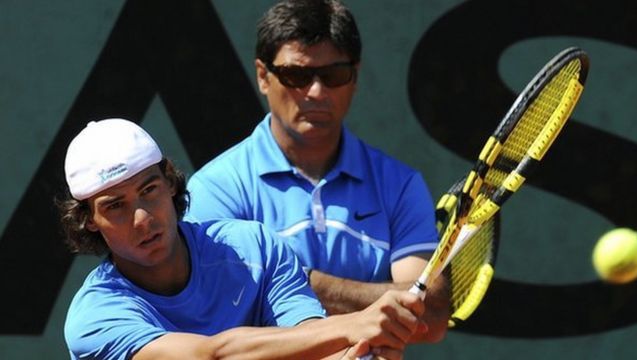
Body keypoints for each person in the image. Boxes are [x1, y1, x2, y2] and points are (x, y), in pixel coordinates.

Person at [185, 0, 450, 343]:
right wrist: (375, 310)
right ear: (263, 77)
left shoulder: (400, 185)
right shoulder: (216, 188)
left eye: (333, 75)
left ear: (354, 75)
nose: (316, 91)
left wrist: (294, 279)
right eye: (296, 75)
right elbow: (217, 317)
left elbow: (430, 317)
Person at [58, 118, 426, 360]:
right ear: (89, 221)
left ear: (170, 184)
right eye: (115, 206)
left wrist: (355, 351)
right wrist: (351, 325)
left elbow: (309, 339)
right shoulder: (95, 319)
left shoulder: (254, 248)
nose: (142, 219)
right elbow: (211, 357)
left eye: (149, 189)